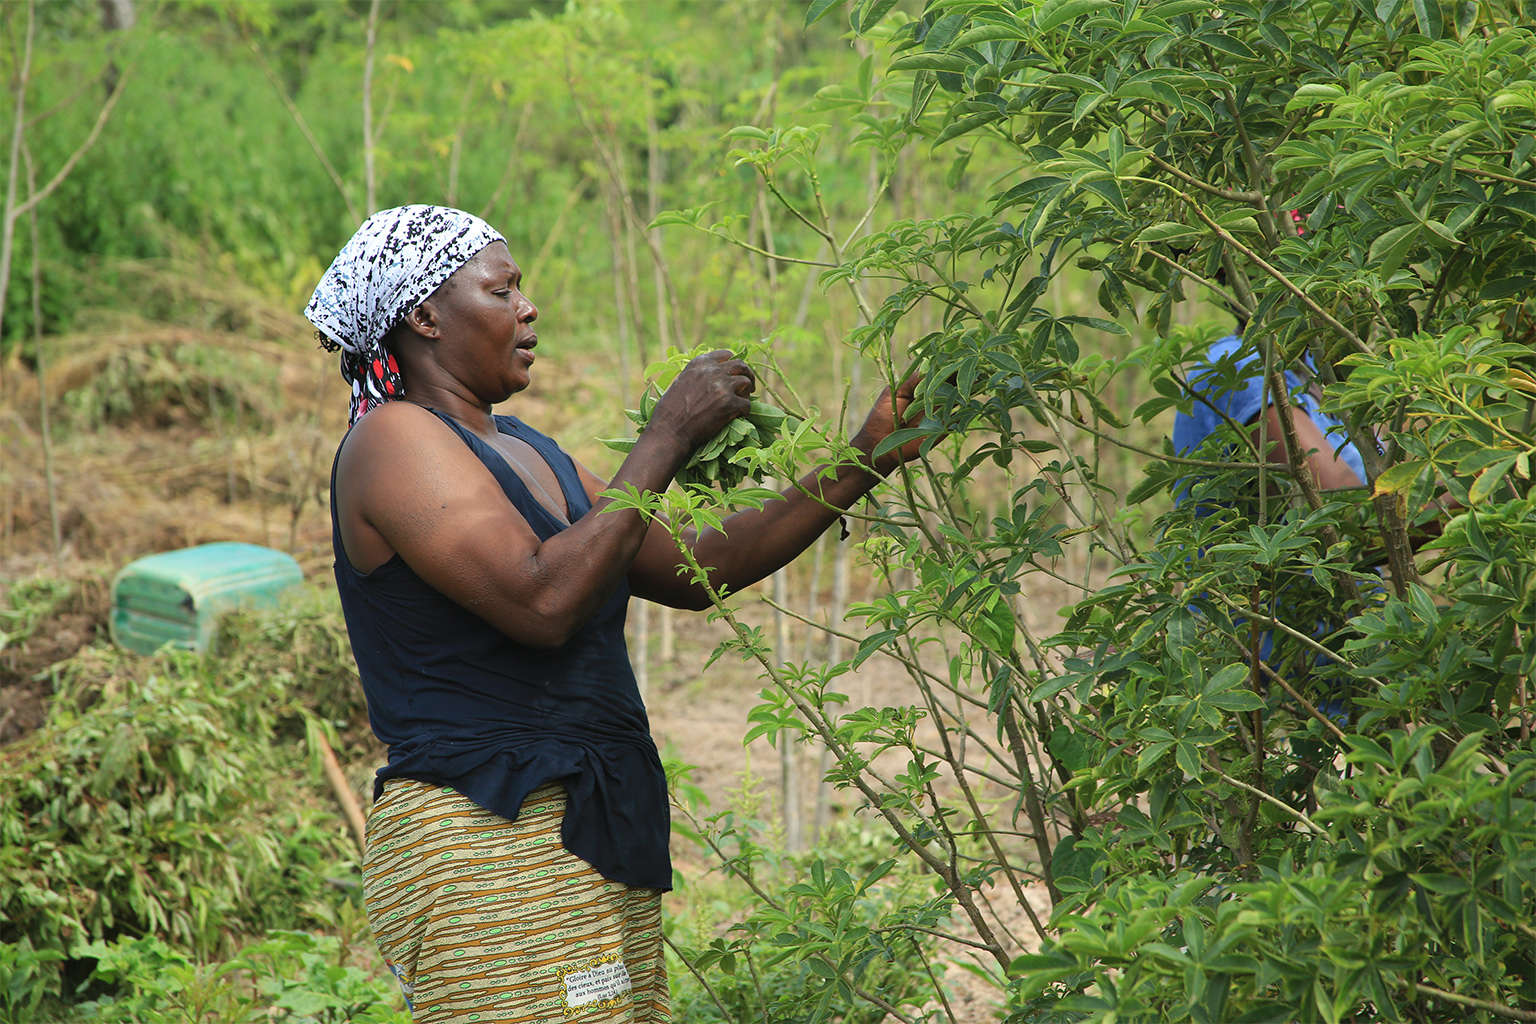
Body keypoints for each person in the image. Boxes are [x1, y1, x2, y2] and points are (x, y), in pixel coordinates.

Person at [305, 205, 926, 1023]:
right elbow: (542, 600)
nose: (528, 309)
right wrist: (668, 435)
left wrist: (865, 456)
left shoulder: (527, 448)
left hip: (578, 827)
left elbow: (705, 566)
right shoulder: (393, 441)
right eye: (502, 291)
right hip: (487, 832)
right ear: (423, 317)